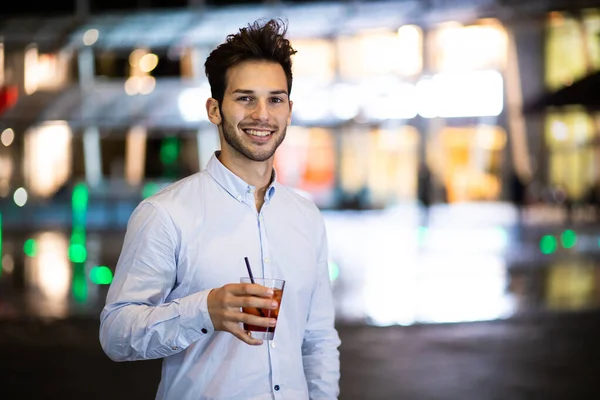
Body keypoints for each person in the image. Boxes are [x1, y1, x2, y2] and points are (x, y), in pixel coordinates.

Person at [99, 19, 341, 400]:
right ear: (214, 109)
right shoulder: (166, 214)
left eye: (275, 99)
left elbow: (319, 339)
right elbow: (116, 335)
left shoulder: (305, 217)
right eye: (245, 98)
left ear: (289, 111)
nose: (262, 114)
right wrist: (204, 310)